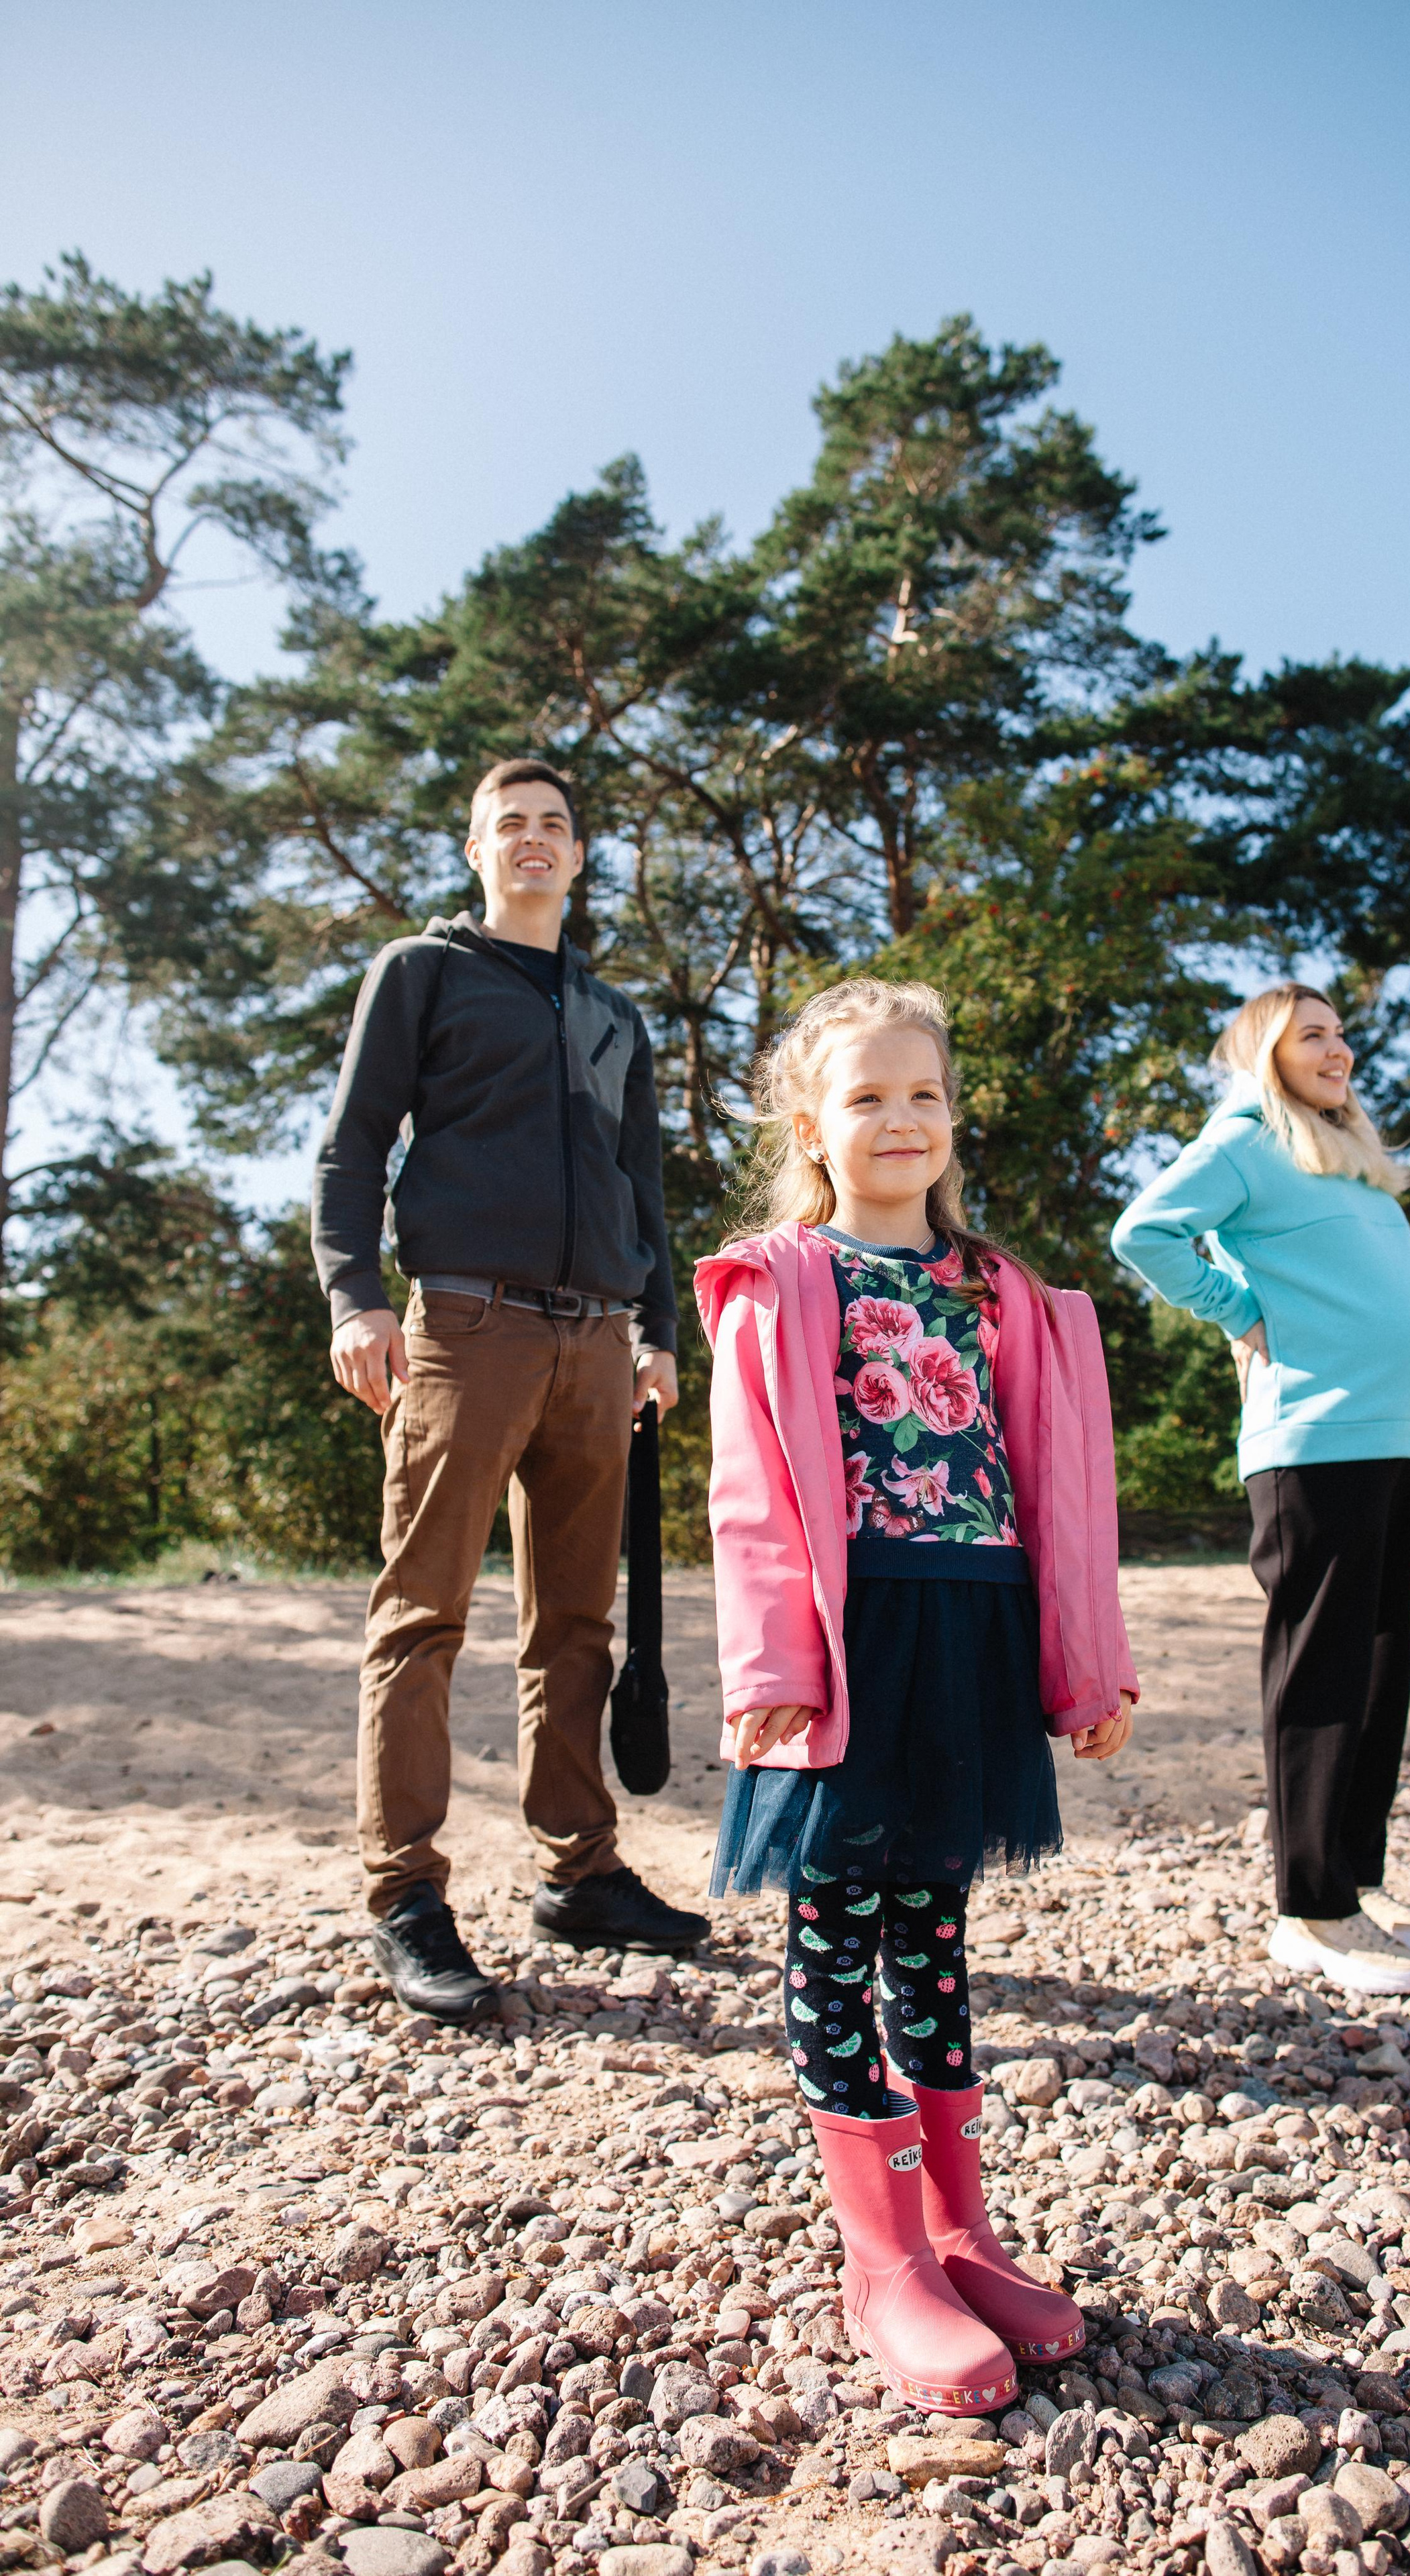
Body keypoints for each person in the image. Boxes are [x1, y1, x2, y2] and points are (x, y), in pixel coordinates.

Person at [696, 978, 1138, 2417]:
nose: (898, 1120)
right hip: (847, 1630)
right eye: (866, 1097)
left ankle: (959, 2230)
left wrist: (1085, 1668)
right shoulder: (780, 1281)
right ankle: (877, 2258)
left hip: (972, 1623)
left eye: (923, 1096)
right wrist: (770, 1670)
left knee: (934, 1926)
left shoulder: (999, 1290)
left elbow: (1062, 1492)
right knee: (839, 1920)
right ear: (811, 1125)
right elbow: (752, 1496)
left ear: (953, 1119)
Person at [312, 756, 708, 2023]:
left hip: (599, 1346)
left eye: (554, 826)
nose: (533, 842)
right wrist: (354, 1297)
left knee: (575, 1626)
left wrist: (658, 1332)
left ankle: (579, 1873)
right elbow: (353, 1142)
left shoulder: (613, 1017)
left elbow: (642, 1186)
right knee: (422, 1612)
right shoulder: (421, 973)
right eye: (509, 827)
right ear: (476, 850)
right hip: (464, 1327)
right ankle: (406, 1895)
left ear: (581, 855)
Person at [1111, 983, 1410, 1998]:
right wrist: (1242, 1315)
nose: (1339, 1048)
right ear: (1268, 1053)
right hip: (1316, 1437)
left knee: (1381, 1660)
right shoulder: (1245, 1139)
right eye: (1314, 1035)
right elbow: (1146, 1232)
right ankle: (1310, 1908)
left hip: (1396, 1434)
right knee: (1323, 1663)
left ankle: (1356, 1876)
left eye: (1343, 1034)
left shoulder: (1344, 1157)